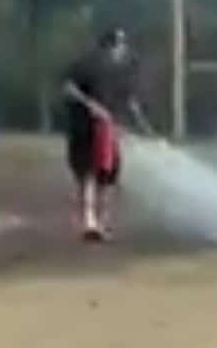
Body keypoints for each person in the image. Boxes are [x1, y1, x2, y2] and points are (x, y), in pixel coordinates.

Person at [62, 28, 154, 242]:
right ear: (108, 46)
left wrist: (145, 127)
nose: (121, 49)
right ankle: (89, 222)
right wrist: (90, 104)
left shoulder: (124, 72)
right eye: (118, 45)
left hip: (109, 131)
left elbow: (130, 102)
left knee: (108, 178)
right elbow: (68, 88)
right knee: (88, 174)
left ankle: (101, 223)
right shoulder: (84, 65)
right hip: (84, 128)